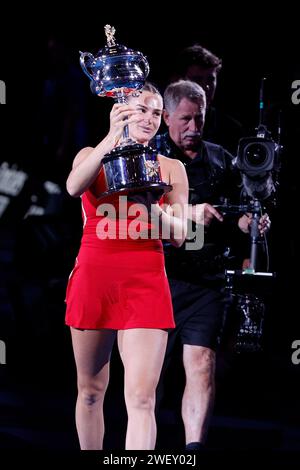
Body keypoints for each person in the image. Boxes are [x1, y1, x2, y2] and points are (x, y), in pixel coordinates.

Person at [64, 82, 188, 450]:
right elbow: (73, 187)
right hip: (95, 273)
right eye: (141, 110)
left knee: (142, 398)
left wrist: (151, 205)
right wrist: (110, 139)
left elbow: (181, 234)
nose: (149, 119)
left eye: (155, 113)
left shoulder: (170, 166)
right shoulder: (92, 153)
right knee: (89, 391)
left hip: (145, 276)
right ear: (121, 110)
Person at [152, 80, 270, 450]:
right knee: (148, 379)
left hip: (207, 281)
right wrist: (188, 214)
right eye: (185, 119)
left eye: (199, 119)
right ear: (166, 117)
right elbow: (131, 216)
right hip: (157, 280)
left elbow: (239, 213)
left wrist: (249, 223)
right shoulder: (148, 159)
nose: (193, 128)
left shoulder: (222, 159)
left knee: (202, 363)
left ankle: (194, 448)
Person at [169, 44, 244, 155]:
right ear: (177, 80)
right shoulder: (156, 122)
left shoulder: (231, 129)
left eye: (211, 79)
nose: (206, 87)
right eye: (197, 79)